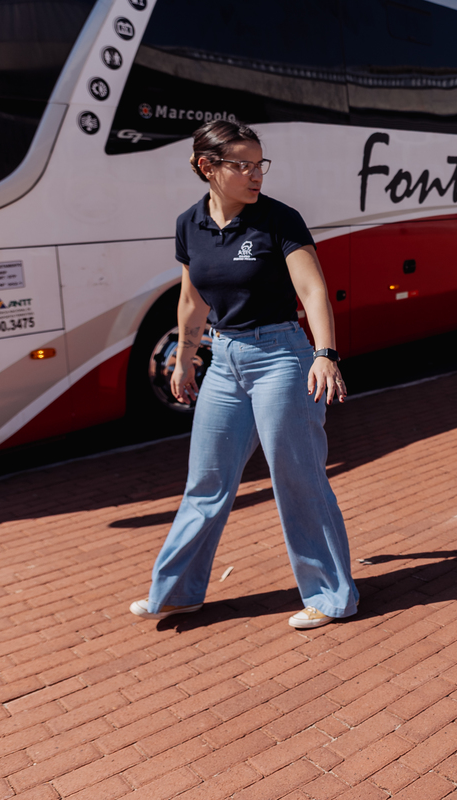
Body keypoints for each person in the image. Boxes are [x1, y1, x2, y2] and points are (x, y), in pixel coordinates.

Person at [129, 120, 358, 630]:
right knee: (206, 481)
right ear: (207, 167)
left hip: (282, 356)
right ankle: (177, 592)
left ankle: (331, 596)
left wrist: (326, 353)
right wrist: (185, 356)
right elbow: (191, 300)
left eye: (260, 164)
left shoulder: (279, 220)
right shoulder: (190, 224)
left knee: (297, 478)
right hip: (224, 359)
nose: (256, 174)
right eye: (243, 165)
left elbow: (313, 290)